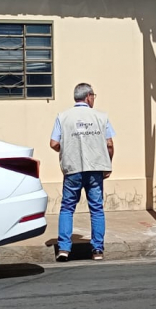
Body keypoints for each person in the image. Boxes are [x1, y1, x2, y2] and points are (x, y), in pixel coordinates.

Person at [50, 83, 115, 262]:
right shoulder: (101, 117)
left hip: (73, 169)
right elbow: (109, 144)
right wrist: (108, 165)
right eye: (93, 95)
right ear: (88, 97)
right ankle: (97, 250)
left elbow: (54, 144)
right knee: (96, 209)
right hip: (95, 169)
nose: (94, 98)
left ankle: (63, 248)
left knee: (67, 208)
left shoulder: (63, 117)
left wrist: (68, 150)